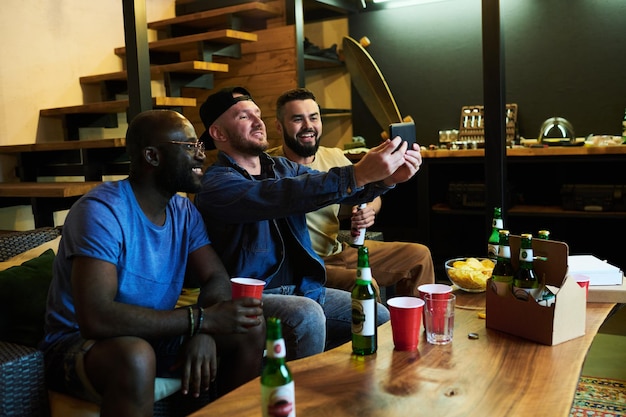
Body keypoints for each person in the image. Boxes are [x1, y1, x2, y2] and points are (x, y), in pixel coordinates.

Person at [40, 110, 264, 417]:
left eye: (200, 146)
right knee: (134, 355)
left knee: (249, 328)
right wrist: (200, 319)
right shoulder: (101, 211)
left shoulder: (184, 211)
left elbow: (216, 277)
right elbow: (97, 318)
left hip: (150, 335)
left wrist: (205, 333)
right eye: (189, 147)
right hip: (79, 345)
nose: (201, 156)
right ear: (152, 156)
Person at [194, 86, 422, 360]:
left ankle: (357, 390)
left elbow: (330, 188)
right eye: (243, 117)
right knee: (307, 315)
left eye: (257, 114)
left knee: (376, 314)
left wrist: (387, 180)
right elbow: (282, 195)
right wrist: (358, 172)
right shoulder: (216, 184)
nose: (258, 122)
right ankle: (298, 398)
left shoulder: (282, 168)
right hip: (250, 297)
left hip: (303, 288)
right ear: (218, 133)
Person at [268, 88, 435, 297]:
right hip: (303, 265)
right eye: (297, 119)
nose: (308, 126)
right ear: (278, 126)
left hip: (338, 251)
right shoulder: (266, 167)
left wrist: (367, 209)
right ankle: (378, 330)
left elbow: (371, 194)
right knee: (365, 284)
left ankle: (417, 328)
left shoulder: (335, 157)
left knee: (418, 256)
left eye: (313, 117)